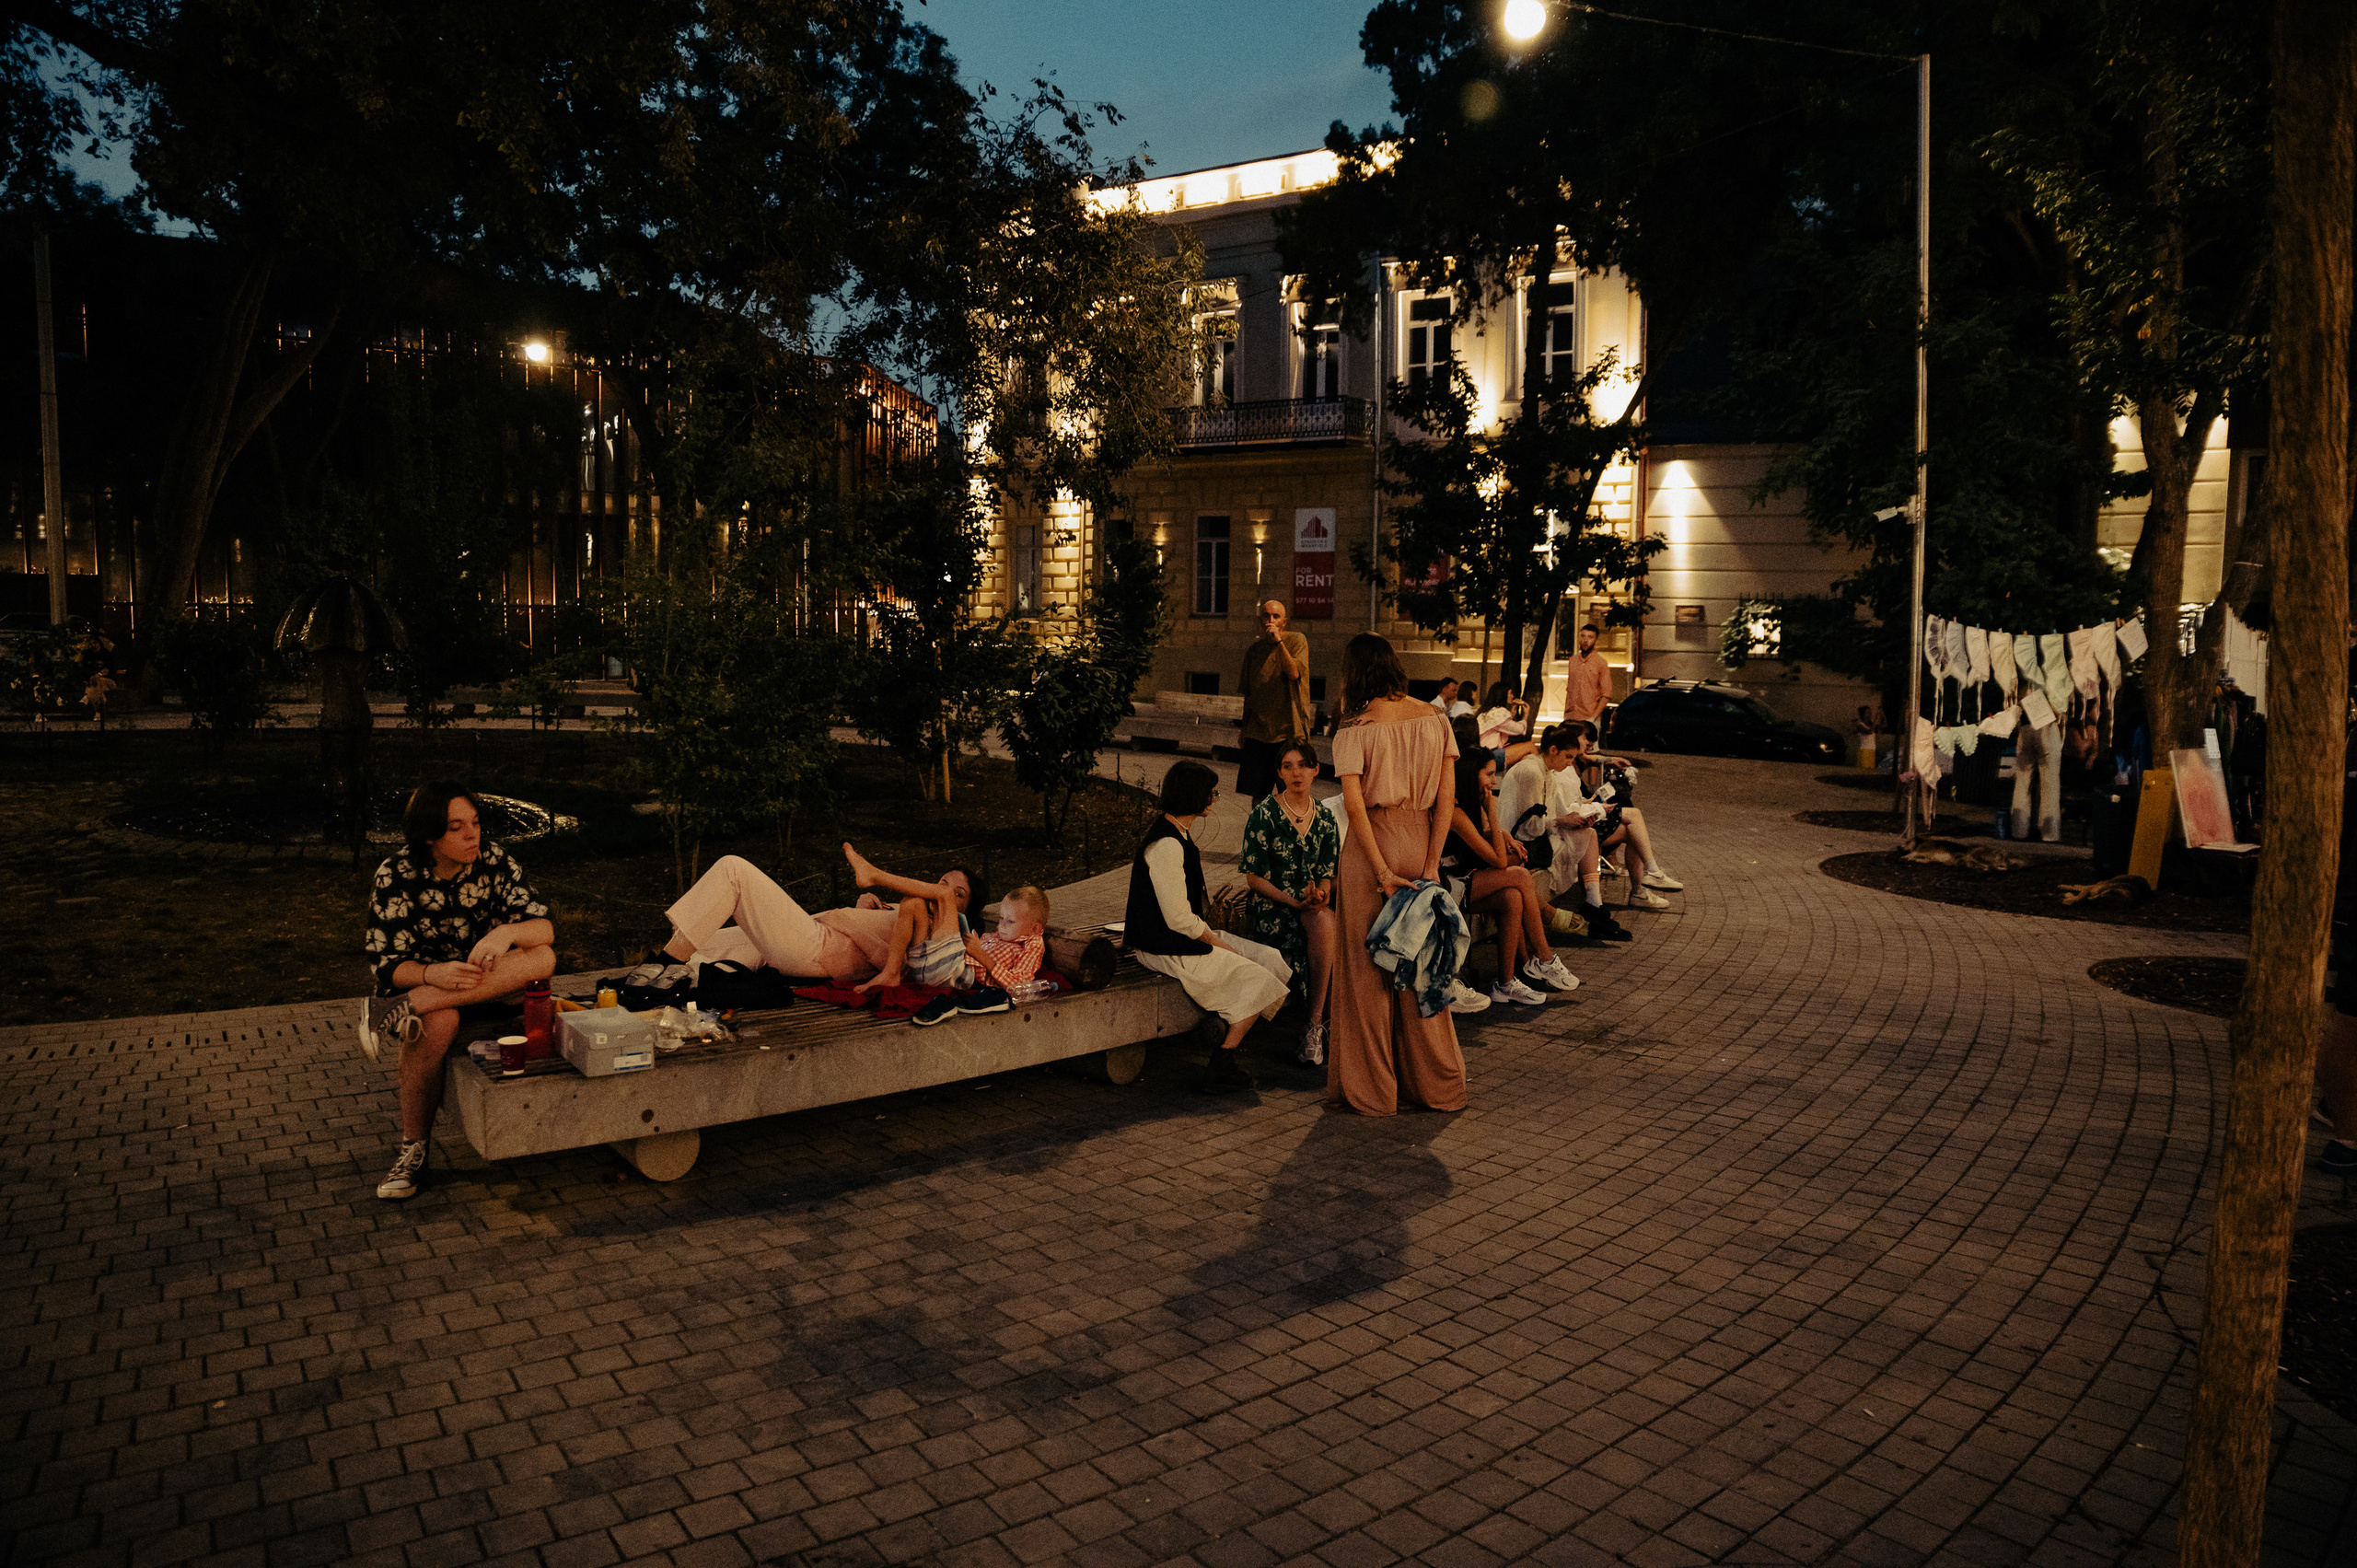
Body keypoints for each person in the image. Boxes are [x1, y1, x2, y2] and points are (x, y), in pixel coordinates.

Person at [359, 783, 558, 1201]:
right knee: (438, 1024)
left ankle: (394, 1009)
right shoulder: (396, 874)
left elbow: (543, 929)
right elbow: (389, 965)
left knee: (542, 957)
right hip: (434, 987)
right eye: (456, 827)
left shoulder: (494, 859)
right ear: (429, 836)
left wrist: (505, 934)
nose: (473, 835)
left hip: (490, 987)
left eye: (476, 822)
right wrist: (432, 974)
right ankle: (413, 1150)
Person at [1329, 633, 1469, 1115]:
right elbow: (1447, 799)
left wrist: (1383, 871)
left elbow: (1354, 807)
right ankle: (1437, 1085)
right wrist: (1431, 865)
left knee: (1366, 973)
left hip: (1372, 850)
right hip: (1421, 841)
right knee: (1423, 967)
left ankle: (1373, 1091)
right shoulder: (1435, 718)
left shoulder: (1355, 727)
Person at [1125, 761, 1294, 1091]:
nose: (1214, 798)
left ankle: (1224, 1023)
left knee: (1269, 959)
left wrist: (1216, 939)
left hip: (1179, 936)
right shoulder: (1166, 845)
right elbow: (1178, 918)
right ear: (1193, 795)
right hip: (1162, 946)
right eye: (1210, 792)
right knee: (1256, 978)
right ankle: (1222, 1061)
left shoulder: (1179, 833)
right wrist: (1218, 943)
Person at [658, 850, 954, 986]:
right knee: (701, 942)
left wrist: (850, 922)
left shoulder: (936, 936)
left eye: (957, 894)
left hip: (818, 947)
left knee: (733, 870)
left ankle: (661, 965)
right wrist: (861, 910)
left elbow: (895, 968)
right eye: (942, 883)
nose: (944, 892)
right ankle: (658, 975)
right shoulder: (908, 909)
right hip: (814, 931)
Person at [1442, 752, 1582, 1005]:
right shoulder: (1455, 811)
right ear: (1470, 776)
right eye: (1488, 774)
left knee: (1512, 897)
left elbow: (1481, 840)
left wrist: (1502, 833)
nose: (1494, 781)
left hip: (1462, 881)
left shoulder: (1469, 804)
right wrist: (1493, 814)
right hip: (1446, 886)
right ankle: (1544, 958)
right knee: (1518, 874)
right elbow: (1499, 862)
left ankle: (1505, 984)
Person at [1238, 740, 1342, 1066]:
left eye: (1302, 765)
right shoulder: (1264, 815)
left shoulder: (1325, 818)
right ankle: (1321, 1025)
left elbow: (1327, 873)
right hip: (1273, 907)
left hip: (1310, 908)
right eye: (1287, 766)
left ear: (1315, 770)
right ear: (1280, 773)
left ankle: (1315, 1026)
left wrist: (1321, 893)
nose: (1296, 773)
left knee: (1326, 921)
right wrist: (1294, 901)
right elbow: (1254, 878)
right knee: (1326, 925)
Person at [1498, 728, 1631, 941]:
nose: (1570, 763)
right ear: (1553, 750)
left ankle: (1594, 904)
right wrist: (1562, 822)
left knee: (1588, 834)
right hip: (1519, 842)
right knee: (1585, 837)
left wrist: (1572, 820)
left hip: (1532, 838)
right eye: (1568, 756)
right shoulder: (1532, 772)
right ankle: (1593, 906)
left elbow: (1548, 818)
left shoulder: (1547, 772)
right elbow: (1530, 827)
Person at [1563, 720, 1684, 909]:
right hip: (1579, 825)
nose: (1588, 744)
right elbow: (1569, 806)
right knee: (1634, 816)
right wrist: (1597, 806)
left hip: (1588, 819)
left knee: (1635, 832)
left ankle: (1640, 891)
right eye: (1584, 738)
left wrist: (1607, 760)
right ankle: (1652, 874)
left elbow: (1591, 759)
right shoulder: (1564, 766)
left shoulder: (1575, 760)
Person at [909, 885, 1052, 1027]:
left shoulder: (1032, 944)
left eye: (1010, 921)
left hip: (966, 974)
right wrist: (974, 943)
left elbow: (1018, 985)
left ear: (1035, 928)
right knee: (914, 905)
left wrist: (979, 953)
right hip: (957, 960)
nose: (1001, 925)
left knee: (943, 898)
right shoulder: (1000, 936)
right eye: (1001, 918)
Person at [1237, 600, 1314, 801]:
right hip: (1258, 734)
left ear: (1284, 622)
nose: (1270, 620)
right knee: (1258, 795)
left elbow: (1294, 673)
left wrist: (1279, 642)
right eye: (1266, 616)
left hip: (1288, 733)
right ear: (1260, 620)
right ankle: (1260, 823)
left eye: (1276, 616)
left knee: (1289, 794)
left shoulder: (1297, 641)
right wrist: (1244, 729)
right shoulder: (1254, 651)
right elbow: (1249, 695)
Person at [1562, 623, 1615, 726]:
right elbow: (1570, 689)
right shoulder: (1573, 661)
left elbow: (1606, 694)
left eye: (1590, 637)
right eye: (1583, 636)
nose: (1585, 640)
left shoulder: (1601, 663)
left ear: (1596, 641)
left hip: (1589, 719)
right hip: (1570, 718)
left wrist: (1593, 718)